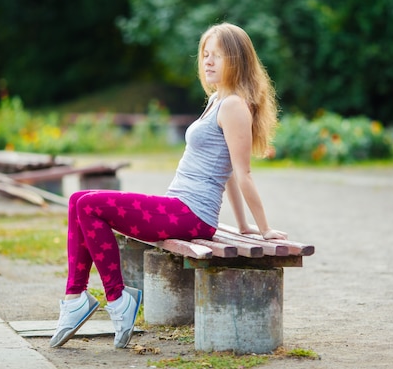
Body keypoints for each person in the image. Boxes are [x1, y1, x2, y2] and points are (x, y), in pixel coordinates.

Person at [49, 22, 288, 349]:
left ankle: (118, 300)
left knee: (89, 205)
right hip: (179, 207)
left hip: (190, 215)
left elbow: (243, 172)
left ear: (238, 60)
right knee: (78, 199)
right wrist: (243, 224)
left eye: (217, 55)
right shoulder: (217, 100)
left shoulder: (233, 106)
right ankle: (76, 297)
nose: (208, 61)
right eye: (205, 54)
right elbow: (227, 171)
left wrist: (262, 230)